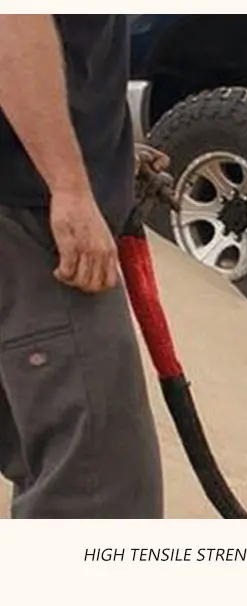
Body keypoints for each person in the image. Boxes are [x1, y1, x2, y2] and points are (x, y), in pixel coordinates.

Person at [0, 15, 169, 517]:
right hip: (31, 226)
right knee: (97, 493)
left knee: (47, 457)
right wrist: (69, 186)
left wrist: (110, 154)